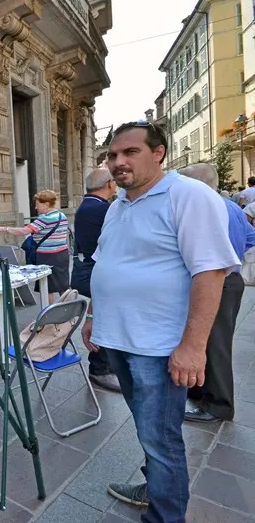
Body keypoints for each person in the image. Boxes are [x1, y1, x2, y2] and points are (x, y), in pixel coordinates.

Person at [82, 121, 238, 521]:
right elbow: (106, 263)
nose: (118, 162)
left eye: (129, 152)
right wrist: (94, 317)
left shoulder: (188, 195)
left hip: (158, 346)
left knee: (161, 439)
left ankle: (165, 515)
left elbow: (210, 271)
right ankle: (155, 488)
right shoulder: (119, 205)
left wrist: (193, 347)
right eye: (113, 155)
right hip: (118, 339)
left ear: (158, 153)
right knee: (148, 432)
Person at [178, 163, 255, 422]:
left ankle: (219, 405)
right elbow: (251, 239)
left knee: (214, 344)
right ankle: (201, 391)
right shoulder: (233, 207)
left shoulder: (202, 208)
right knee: (214, 341)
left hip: (216, 282)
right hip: (230, 281)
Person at [70, 168, 120, 393]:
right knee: (102, 317)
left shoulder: (89, 206)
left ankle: (104, 366)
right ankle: (100, 368)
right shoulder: (101, 209)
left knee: (103, 315)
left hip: (94, 268)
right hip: (99, 269)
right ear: (109, 184)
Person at [0, 189, 70, 304]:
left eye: (38, 204)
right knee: (63, 286)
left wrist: (4, 229)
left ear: (46, 204)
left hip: (48, 256)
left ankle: (51, 317)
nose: (36, 208)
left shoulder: (44, 218)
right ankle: (68, 312)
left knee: (47, 288)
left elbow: (24, 231)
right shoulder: (61, 216)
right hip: (62, 254)